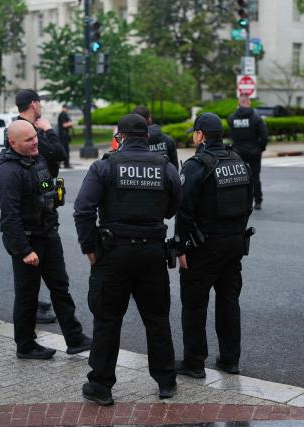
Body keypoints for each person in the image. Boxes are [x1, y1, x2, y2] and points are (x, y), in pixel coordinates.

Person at [73, 114, 181, 405]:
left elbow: (83, 210)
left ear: (119, 136)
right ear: (147, 137)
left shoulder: (104, 166)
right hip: (152, 254)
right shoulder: (165, 167)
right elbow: (174, 207)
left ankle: (101, 386)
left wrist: (90, 248)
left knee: (107, 319)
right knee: (157, 319)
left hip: (113, 253)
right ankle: (166, 381)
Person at [0, 120, 92, 359]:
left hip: (48, 234)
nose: (35, 142)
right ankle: (25, 345)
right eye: (29, 140)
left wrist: (53, 193)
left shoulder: (37, 160)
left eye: (35, 136)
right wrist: (25, 250)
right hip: (28, 242)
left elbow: (45, 184)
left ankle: (75, 338)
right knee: (27, 295)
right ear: (13, 143)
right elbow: (9, 218)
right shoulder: (7, 172)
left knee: (61, 288)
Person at [175, 112, 253, 378]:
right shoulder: (239, 161)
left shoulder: (197, 165)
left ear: (200, 135)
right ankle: (230, 360)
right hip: (234, 243)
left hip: (204, 246)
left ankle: (194, 363)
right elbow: (249, 202)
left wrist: (181, 247)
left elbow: (183, 210)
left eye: (195, 134)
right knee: (229, 300)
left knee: (195, 304)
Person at [15, 89, 69, 323]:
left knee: (45, 261)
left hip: (44, 193)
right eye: (40, 102)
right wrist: (48, 130)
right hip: (34, 203)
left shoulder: (24, 127)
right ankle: (31, 307)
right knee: (33, 260)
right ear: (34, 104)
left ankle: (35, 302)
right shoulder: (30, 129)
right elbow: (59, 153)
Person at [227, 94, 269, 210]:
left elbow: (231, 133)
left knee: (239, 177)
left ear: (238, 103)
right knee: (255, 176)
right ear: (249, 103)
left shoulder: (232, 118)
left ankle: (242, 201)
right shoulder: (256, 118)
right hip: (254, 152)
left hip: (238, 152)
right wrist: (261, 148)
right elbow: (264, 136)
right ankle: (258, 201)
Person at [131, 105, 179, 170]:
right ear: (149, 119)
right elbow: (175, 168)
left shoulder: (127, 141)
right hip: (163, 178)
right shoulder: (168, 140)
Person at [57, 104, 74, 169]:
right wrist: (70, 123)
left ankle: (62, 163)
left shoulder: (63, 114)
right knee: (65, 150)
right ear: (64, 108)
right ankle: (66, 164)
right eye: (67, 108)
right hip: (63, 135)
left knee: (63, 149)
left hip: (63, 135)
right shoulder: (63, 114)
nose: (67, 110)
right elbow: (63, 125)